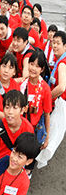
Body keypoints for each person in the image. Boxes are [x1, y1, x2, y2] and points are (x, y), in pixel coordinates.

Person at [0, 90, 34, 181]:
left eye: (15, 108)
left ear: (23, 110)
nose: (10, 112)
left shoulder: (28, 129)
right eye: (7, 107)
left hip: (14, 171)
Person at [37, 30, 66, 167]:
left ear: (65, 46)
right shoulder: (61, 61)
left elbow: (61, 88)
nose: (54, 46)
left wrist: (47, 97)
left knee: (49, 134)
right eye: (53, 42)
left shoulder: (62, 63)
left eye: (58, 43)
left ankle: (31, 166)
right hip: (62, 105)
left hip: (60, 105)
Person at [20, 49, 52, 149]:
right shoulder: (23, 84)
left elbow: (47, 114)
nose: (33, 68)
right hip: (19, 128)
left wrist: (46, 138)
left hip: (32, 132)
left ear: (42, 69)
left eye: (37, 66)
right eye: (32, 64)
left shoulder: (45, 88)